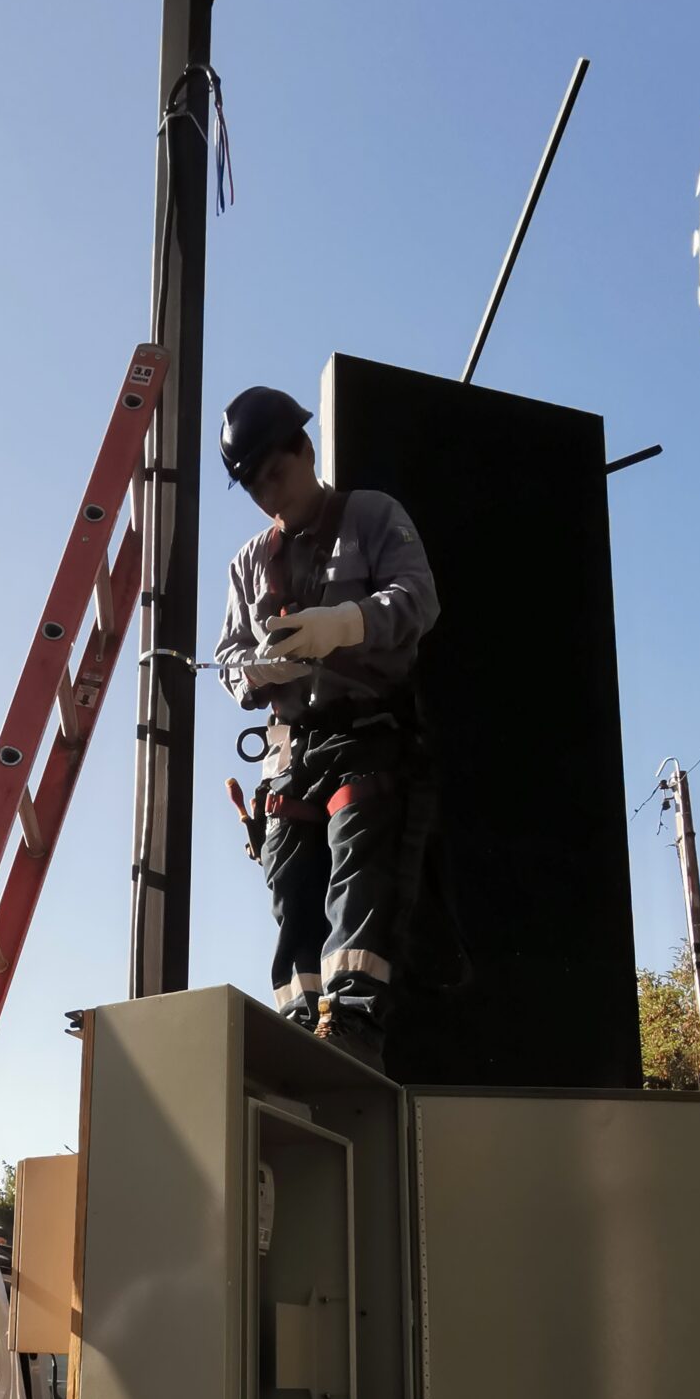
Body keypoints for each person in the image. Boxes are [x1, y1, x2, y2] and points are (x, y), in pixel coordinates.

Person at [214, 385, 441, 1069]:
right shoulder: (249, 563)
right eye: (254, 487)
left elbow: (417, 599)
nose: (268, 496)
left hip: (366, 735)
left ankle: (350, 1026)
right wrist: (257, 673)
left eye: (275, 475)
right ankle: (297, 1025)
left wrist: (342, 625)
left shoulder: (371, 517)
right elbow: (226, 658)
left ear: (304, 450)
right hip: (290, 751)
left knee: (359, 869)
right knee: (291, 886)